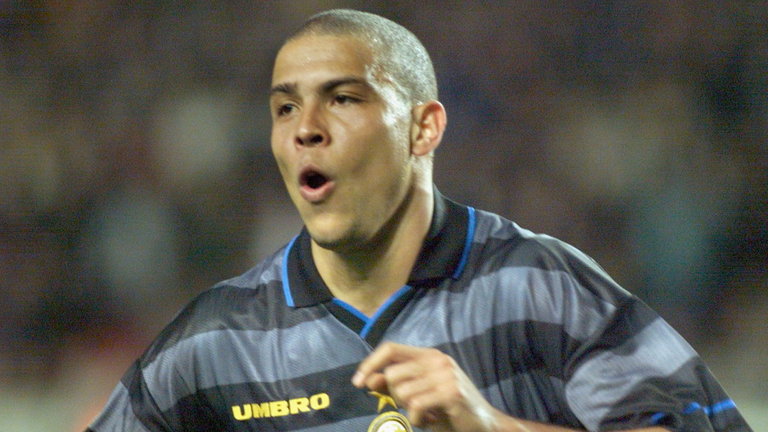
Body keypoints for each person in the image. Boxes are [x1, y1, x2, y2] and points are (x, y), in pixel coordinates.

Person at [86, 9, 752, 432]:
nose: (306, 129)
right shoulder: (216, 343)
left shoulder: (537, 286)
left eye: (343, 98)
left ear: (423, 127)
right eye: (285, 108)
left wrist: (490, 426)